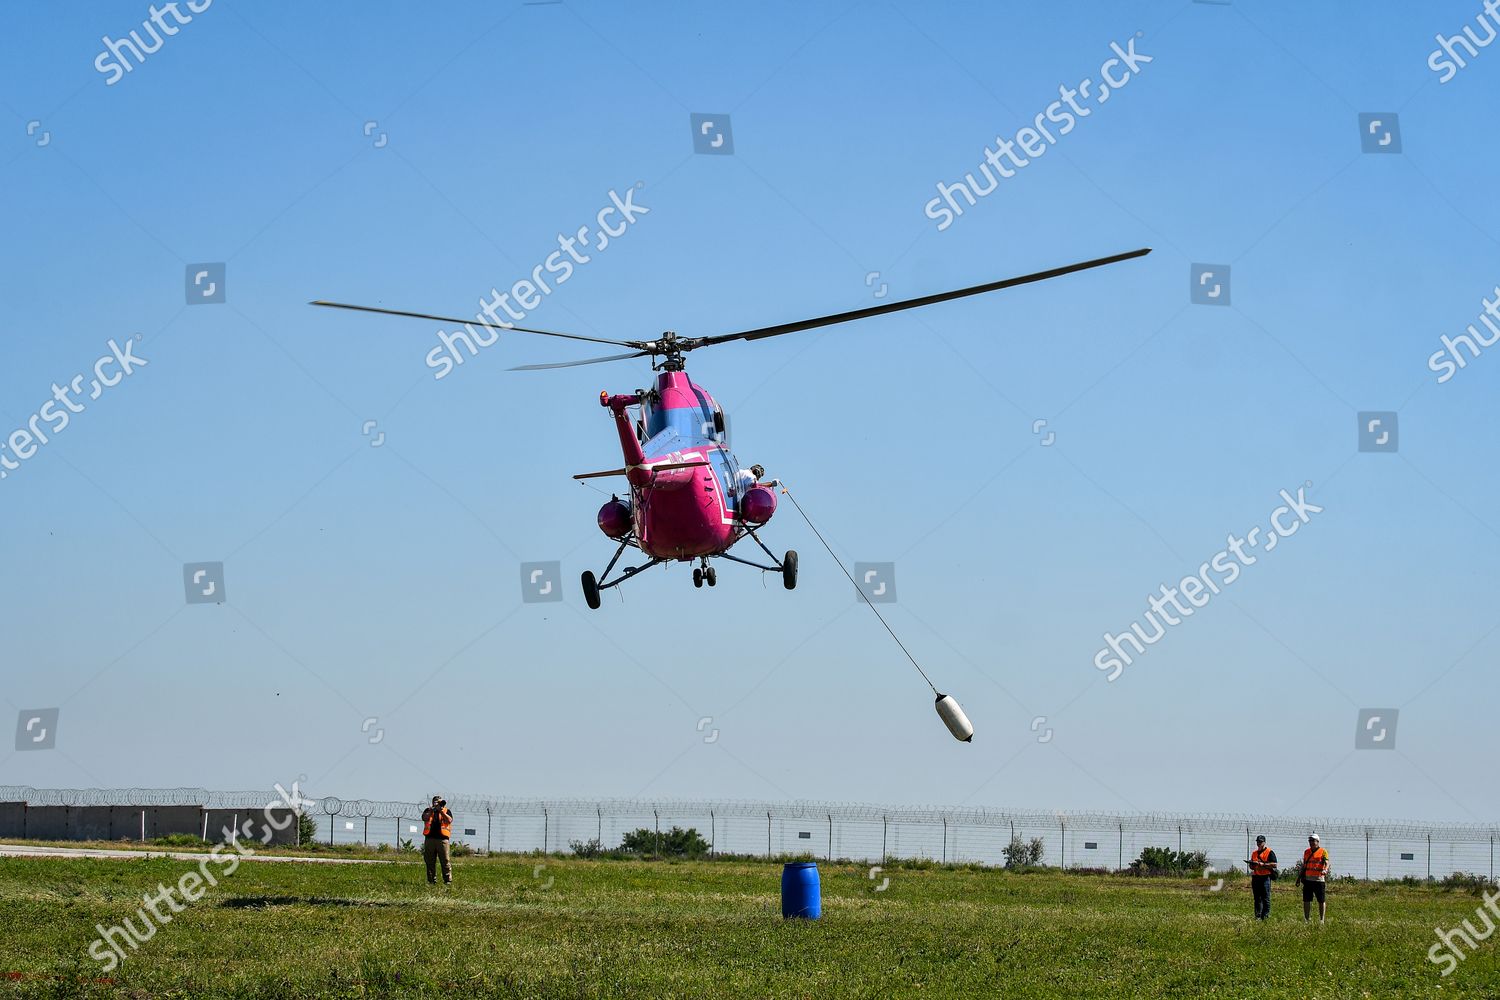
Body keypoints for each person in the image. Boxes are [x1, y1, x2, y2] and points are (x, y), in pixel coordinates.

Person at [1298, 833, 1329, 923]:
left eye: (1313, 841)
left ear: (1318, 842)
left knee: (1321, 900)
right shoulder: (1306, 852)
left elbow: (1326, 862)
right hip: (1308, 880)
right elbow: (1304, 865)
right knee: (1306, 900)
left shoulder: (1323, 851)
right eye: (1310, 841)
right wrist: (1299, 877)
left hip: (1319, 879)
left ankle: (1321, 919)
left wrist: (1325, 870)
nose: (1311, 842)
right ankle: (1306, 919)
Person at [422, 795, 454, 885]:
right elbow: (424, 818)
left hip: (443, 840)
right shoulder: (428, 810)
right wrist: (432, 810)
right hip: (430, 839)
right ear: (433, 802)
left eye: (440, 802)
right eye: (436, 802)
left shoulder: (447, 811)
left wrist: (441, 811)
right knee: (430, 861)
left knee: (445, 861)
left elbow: (449, 820)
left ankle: (447, 880)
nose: (438, 804)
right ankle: (431, 881)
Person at [1245, 835, 1278, 920]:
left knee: (1265, 898)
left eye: (1260, 842)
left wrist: (1263, 864)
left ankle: (1265, 916)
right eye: (1257, 842)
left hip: (1265, 877)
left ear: (1264, 842)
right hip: (1256, 877)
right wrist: (1251, 865)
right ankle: (1257, 916)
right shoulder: (1254, 853)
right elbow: (1252, 867)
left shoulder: (1269, 852)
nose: (1259, 843)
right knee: (1257, 898)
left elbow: (1274, 864)